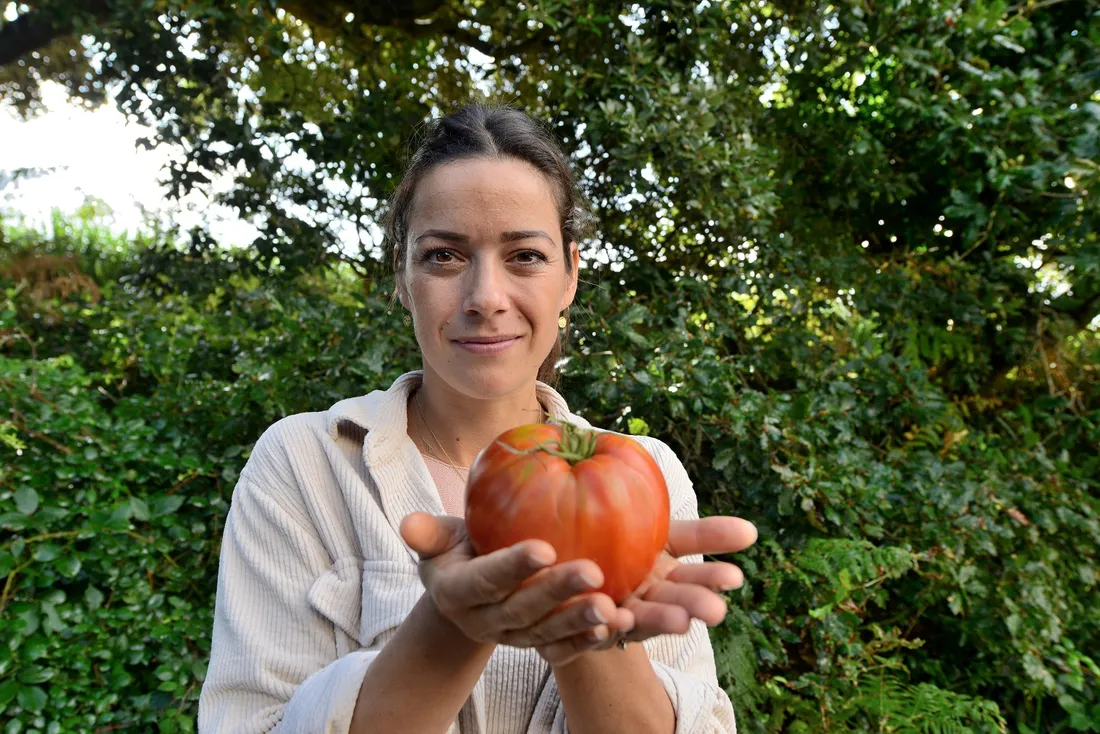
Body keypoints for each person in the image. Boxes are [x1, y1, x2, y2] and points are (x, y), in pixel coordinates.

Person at [197, 104, 758, 734]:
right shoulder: (305, 464)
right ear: (403, 278)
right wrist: (448, 626)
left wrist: (589, 633)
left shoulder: (648, 474)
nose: (485, 298)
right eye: (443, 256)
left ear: (570, 275)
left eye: (524, 256)